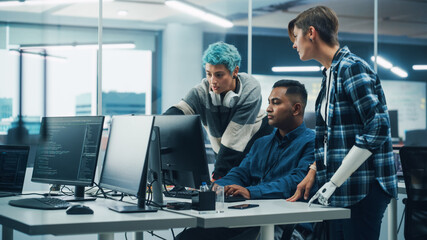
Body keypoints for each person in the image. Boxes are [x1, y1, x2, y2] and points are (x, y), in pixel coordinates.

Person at [286, 6, 398, 240]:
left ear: (311, 33)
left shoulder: (351, 67)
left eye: (296, 37)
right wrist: (315, 170)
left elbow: (378, 128)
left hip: (363, 186)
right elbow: (332, 137)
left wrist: (335, 180)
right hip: (341, 188)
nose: (294, 45)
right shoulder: (330, 73)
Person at [177, 79, 315, 240]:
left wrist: (250, 192)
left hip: (286, 225)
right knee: (189, 237)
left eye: (276, 103)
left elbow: (295, 182)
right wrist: (215, 188)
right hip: (253, 219)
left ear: (296, 109)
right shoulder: (262, 143)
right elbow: (241, 173)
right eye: (269, 102)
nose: (268, 108)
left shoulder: (312, 142)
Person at [164, 41, 273, 180]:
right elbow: (179, 111)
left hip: (256, 139)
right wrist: (156, 127)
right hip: (226, 149)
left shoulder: (250, 89)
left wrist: (217, 176)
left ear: (235, 71)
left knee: (241, 182)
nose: (212, 81)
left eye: (219, 75)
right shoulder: (202, 91)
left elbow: (234, 137)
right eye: (209, 74)